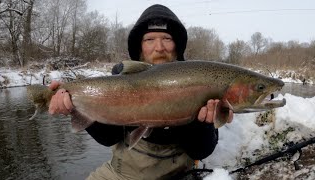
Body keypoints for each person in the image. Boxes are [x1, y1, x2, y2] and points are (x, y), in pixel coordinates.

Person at [48, 4, 233, 180]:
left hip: (180, 174)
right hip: (122, 174)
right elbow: (108, 138)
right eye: (149, 39)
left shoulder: (199, 82)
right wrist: (76, 108)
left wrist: (200, 124)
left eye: (167, 39)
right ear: (140, 48)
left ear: (177, 46)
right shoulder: (119, 83)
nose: (159, 47)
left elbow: (201, 151)